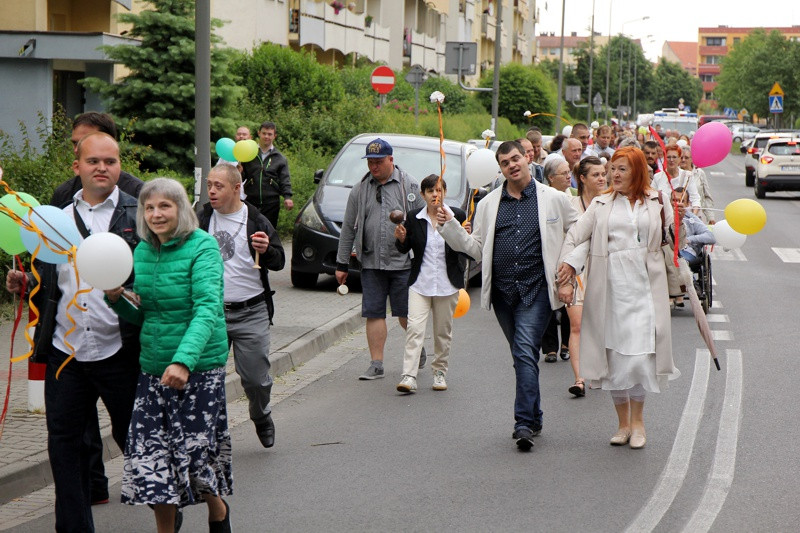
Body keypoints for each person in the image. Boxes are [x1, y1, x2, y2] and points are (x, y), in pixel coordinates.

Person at [5, 132, 140, 532]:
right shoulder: (54, 219)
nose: (103, 168)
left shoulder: (139, 214)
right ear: (77, 167)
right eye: (94, 161)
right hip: (66, 354)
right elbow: (51, 281)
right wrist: (26, 284)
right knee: (65, 447)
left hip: (122, 350)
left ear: (119, 166)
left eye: (111, 161)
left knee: (135, 438)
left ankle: (166, 511)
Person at [105, 178, 232, 533]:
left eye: (165, 206)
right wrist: (116, 299)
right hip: (152, 371)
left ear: (181, 209)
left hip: (199, 370)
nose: (156, 214)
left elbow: (207, 309)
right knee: (150, 460)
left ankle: (218, 511)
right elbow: (145, 315)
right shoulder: (143, 250)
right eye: (149, 207)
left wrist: (183, 361)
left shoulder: (203, 247)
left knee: (194, 457)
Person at [438, 141, 579, 451]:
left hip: (538, 289)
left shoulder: (554, 199)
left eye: (516, 158)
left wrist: (570, 269)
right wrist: (448, 227)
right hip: (503, 293)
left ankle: (523, 423)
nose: (512, 165)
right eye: (505, 162)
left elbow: (579, 235)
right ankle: (535, 415)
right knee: (522, 355)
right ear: (499, 169)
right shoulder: (489, 204)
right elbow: (475, 248)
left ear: (527, 158)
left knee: (526, 349)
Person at [558, 146, 681, 450]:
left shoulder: (657, 200)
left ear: (637, 171)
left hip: (645, 286)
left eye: (622, 169)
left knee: (639, 357)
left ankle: (638, 423)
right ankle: (622, 424)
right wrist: (568, 266)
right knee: (614, 358)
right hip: (611, 285)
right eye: (613, 168)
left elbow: (673, 238)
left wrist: (678, 222)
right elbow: (577, 238)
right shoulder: (601, 204)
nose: (614, 174)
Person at [198, 165, 285, 448]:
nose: (211, 191)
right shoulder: (202, 218)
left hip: (251, 311)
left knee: (256, 381)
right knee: (207, 379)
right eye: (209, 185)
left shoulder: (256, 219)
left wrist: (266, 250)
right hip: (212, 312)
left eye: (218, 186)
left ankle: (261, 415)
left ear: (236, 188)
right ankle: (208, 435)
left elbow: (280, 261)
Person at [335, 138, 426, 380]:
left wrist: (423, 256)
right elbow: (348, 229)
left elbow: (424, 223)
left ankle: (418, 350)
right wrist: (342, 263)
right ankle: (377, 364)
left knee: (406, 314)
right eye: (370, 163)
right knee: (373, 312)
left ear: (391, 160)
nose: (373, 167)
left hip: (403, 262)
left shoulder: (409, 186)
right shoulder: (360, 189)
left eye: (378, 162)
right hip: (371, 262)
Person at [393, 175, 468, 393]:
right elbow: (404, 248)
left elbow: (467, 249)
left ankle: (439, 371)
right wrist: (400, 238)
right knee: (414, 329)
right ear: (423, 195)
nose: (435, 194)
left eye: (438, 190)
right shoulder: (413, 217)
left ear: (444, 192)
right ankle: (409, 375)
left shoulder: (457, 216)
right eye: (430, 191)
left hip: (447, 284)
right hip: (420, 283)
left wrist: (466, 235)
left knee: (442, 333)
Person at [562, 156, 607, 397]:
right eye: (596, 175)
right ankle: (579, 379)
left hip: (603, 269)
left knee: (600, 324)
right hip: (577, 271)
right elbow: (565, 240)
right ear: (582, 178)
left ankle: (599, 369)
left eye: (603, 174)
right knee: (577, 325)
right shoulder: (570, 204)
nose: (602, 178)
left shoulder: (610, 203)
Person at [51, 111, 144, 209]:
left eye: (87, 140)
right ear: (76, 167)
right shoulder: (63, 195)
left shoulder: (138, 193)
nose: (76, 149)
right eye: (75, 143)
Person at [242, 121, 294, 229]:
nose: (266, 136)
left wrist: (287, 197)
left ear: (274, 136)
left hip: (271, 203)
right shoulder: (249, 154)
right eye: (264, 133)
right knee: (250, 230)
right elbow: (242, 177)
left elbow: (285, 179)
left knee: (269, 231)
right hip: (251, 200)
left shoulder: (280, 158)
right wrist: (239, 171)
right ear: (259, 133)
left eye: (269, 134)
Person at [652, 144, 701, 214]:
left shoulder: (688, 176)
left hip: (683, 219)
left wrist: (693, 217)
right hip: (664, 218)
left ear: (679, 159)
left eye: (674, 157)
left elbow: (695, 199)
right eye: (668, 157)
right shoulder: (658, 177)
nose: (671, 160)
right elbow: (652, 199)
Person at [673, 188, 715, 267]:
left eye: (682, 201)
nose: (678, 204)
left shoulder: (691, 218)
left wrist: (689, 239)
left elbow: (711, 236)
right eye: (675, 200)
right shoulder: (664, 215)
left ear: (688, 204)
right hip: (668, 252)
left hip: (686, 251)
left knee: (680, 262)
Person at [680, 146, 715, 225]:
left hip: (697, 215)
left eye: (686, 158)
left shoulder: (699, 173)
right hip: (681, 216)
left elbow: (707, 197)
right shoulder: (677, 174)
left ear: (692, 159)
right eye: (681, 157)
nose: (683, 160)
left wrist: (710, 217)